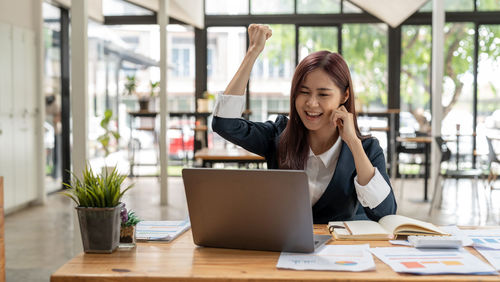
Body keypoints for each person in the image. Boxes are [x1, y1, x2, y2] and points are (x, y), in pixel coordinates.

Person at [212, 24, 397, 223]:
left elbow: (385, 213)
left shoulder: (367, 149)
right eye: (304, 92)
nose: (311, 103)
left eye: (323, 94)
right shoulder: (279, 136)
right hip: (284, 248)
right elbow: (225, 124)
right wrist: (252, 53)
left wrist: (353, 142)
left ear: (344, 95)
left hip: (340, 252)